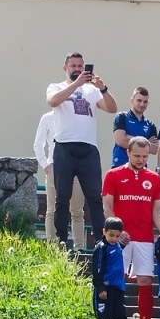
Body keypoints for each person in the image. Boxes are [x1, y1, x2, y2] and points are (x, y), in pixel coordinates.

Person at [44, 53, 115, 248]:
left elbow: (112, 108)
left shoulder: (92, 90)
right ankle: (61, 239)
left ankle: (100, 240)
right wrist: (76, 84)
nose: (77, 69)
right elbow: (53, 101)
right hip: (64, 147)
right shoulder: (56, 87)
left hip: (88, 148)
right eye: (73, 66)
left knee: (94, 196)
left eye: (80, 66)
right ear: (65, 68)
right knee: (62, 197)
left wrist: (103, 88)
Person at [100, 136, 160, 319]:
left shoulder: (154, 178)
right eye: (137, 155)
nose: (141, 160)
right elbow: (107, 206)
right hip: (120, 238)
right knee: (115, 280)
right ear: (128, 152)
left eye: (145, 157)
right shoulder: (113, 175)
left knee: (145, 281)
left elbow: (156, 210)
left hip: (144, 237)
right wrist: (117, 230)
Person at [33, 110, 86, 249]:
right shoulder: (48, 118)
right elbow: (38, 144)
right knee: (52, 209)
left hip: (77, 168)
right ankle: (53, 248)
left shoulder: (78, 116)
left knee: (77, 211)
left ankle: (79, 249)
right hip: (55, 167)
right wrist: (46, 166)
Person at [90, 218, 127, 319]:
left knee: (120, 315)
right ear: (104, 232)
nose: (114, 239)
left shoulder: (118, 246)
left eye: (117, 236)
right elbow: (97, 269)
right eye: (111, 235)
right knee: (105, 317)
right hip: (105, 288)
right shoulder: (101, 248)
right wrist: (100, 287)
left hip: (118, 288)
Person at [111, 86, 156, 168]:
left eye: (145, 101)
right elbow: (120, 140)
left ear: (148, 103)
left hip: (141, 168)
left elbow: (155, 149)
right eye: (139, 100)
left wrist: (128, 137)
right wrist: (145, 142)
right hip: (120, 165)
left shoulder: (150, 124)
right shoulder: (122, 117)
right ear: (131, 100)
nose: (142, 104)